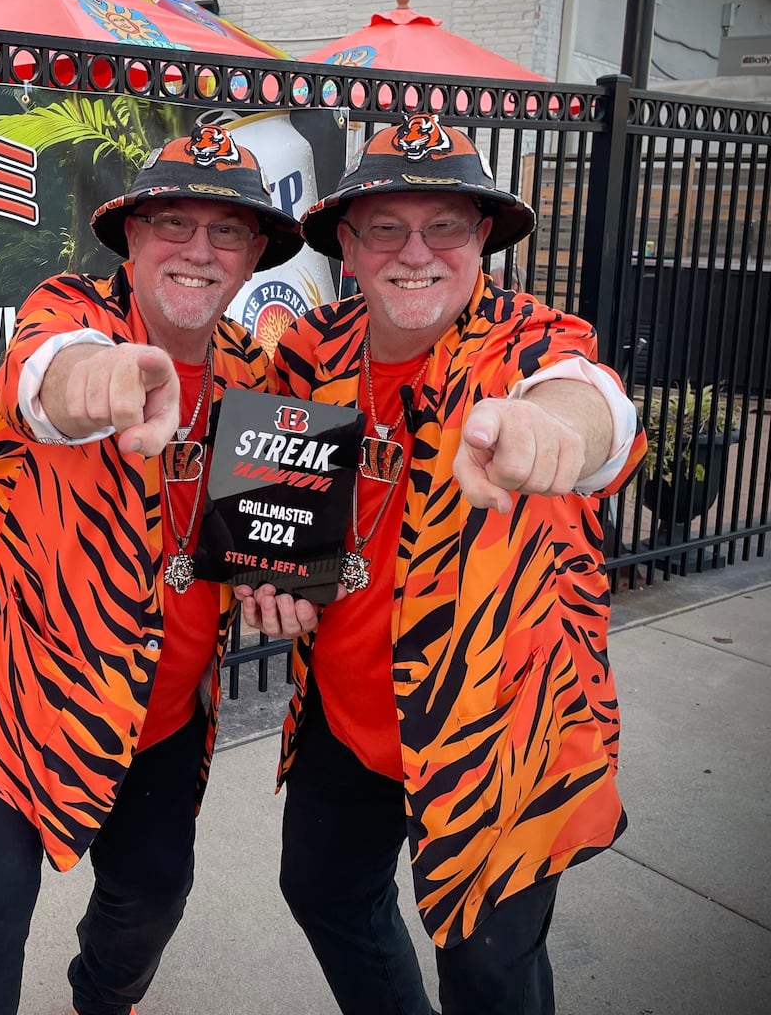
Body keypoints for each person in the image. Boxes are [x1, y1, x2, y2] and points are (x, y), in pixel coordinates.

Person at [239, 114, 646, 1015]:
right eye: (386, 226)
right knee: (323, 892)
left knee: (490, 972)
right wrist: (268, 576)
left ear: (482, 241)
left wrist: (553, 428)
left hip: (498, 729)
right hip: (347, 717)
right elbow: (275, 510)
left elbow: (596, 407)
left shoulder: (525, 343)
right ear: (347, 243)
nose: (414, 251)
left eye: (445, 226)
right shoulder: (309, 352)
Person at [0, 129, 304, 1015]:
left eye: (226, 232)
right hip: (12, 690)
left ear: (251, 259)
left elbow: (260, 533)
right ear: (129, 237)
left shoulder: (255, 373)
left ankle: (102, 1000)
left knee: (155, 891)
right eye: (172, 222)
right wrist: (99, 380)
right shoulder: (70, 312)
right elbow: (46, 372)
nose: (198, 249)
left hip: (162, 706)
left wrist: (276, 574)